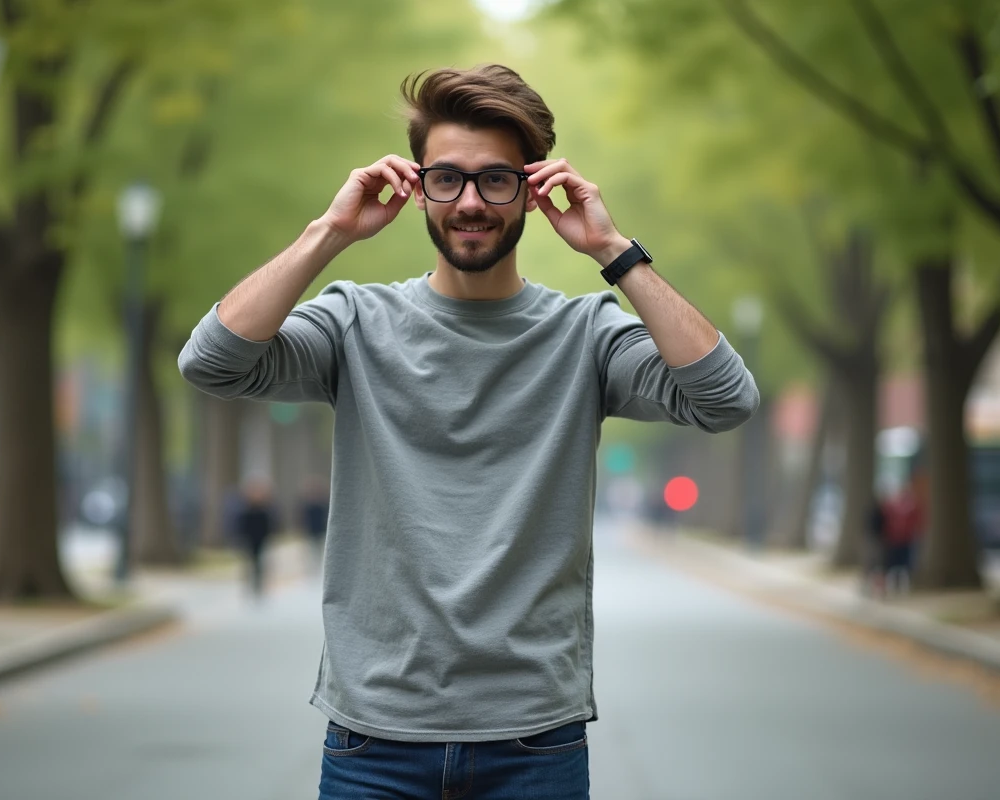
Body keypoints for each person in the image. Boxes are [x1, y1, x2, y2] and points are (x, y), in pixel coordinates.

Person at [179, 65, 759, 799]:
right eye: (447, 179)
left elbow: (725, 398)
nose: (472, 203)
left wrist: (614, 250)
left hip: (533, 741)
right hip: (373, 741)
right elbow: (211, 362)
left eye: (496, 181)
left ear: (534, 188)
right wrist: (329, 234)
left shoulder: (585, 335)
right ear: (417, 187)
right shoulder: (355, 322)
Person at [233, 478, 276, 599]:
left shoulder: (265, 511)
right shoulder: (246, 510)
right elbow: (241, 526)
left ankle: (259, 586)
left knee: (260, 564)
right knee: (249, 564)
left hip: (261, 540)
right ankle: (249, 586)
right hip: (249, 541)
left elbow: (269, 526)